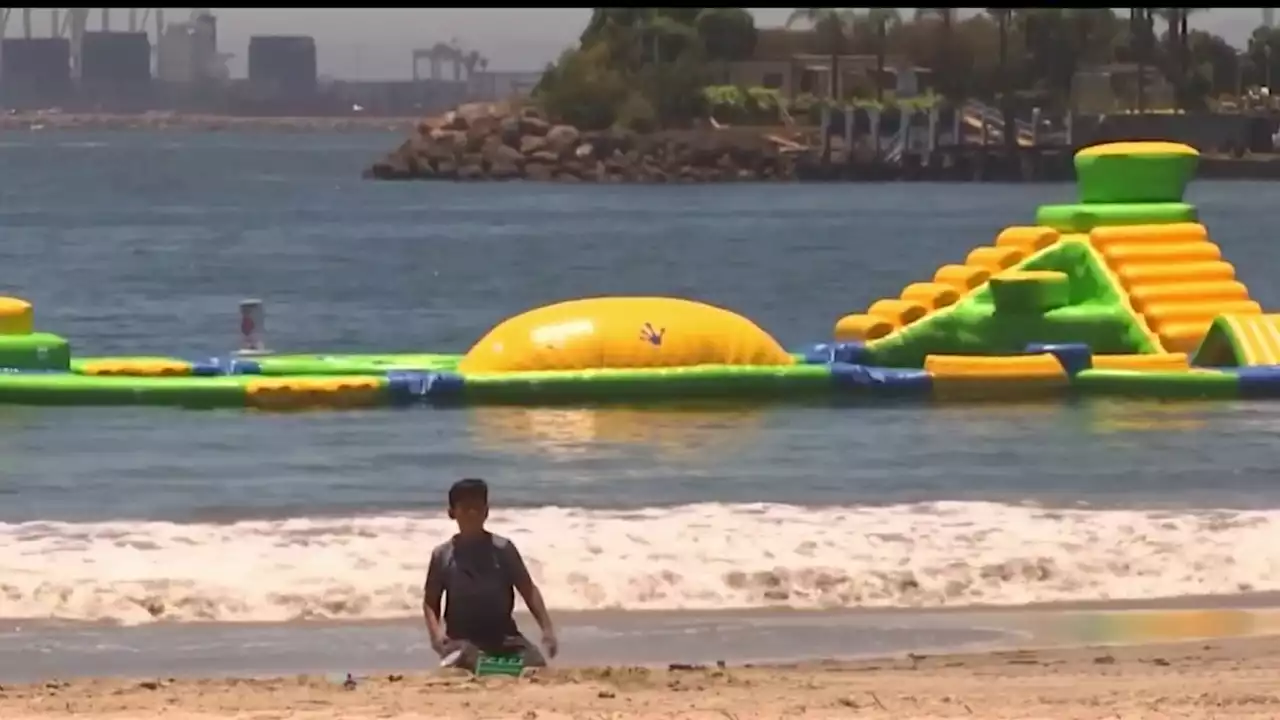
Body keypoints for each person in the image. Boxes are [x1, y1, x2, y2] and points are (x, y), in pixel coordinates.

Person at [422, 478, 558, 671]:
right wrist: (436, 636)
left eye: (478, 508)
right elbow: (430, 601)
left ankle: (491, 668)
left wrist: (547, 629)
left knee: (535, 661)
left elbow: (528, 589)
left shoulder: (503, 549)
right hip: (463, 638)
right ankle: (495, 668)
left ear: (486, 511)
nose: (472, 514)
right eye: (465, 508)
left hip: (503, 636)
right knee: (464, 656)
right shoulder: (443, 555)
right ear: (452, 513)